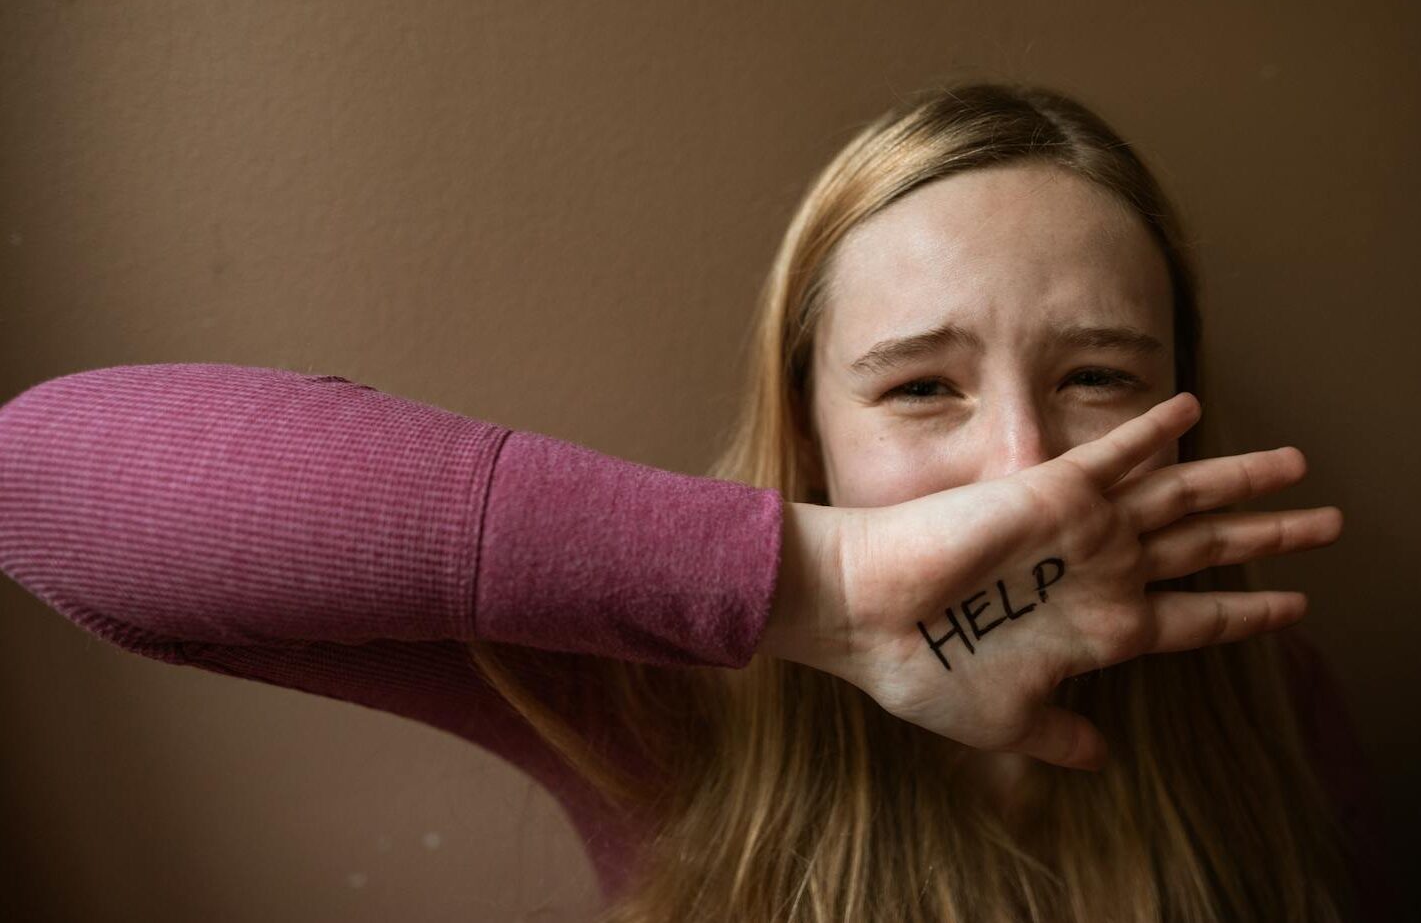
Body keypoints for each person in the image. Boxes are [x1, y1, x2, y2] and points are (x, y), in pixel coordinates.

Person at [0, 82, 1390, 922]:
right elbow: (44, 481)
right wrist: (816, 589)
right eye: (918, 389)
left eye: (1096, 375)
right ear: (809, 428)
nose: (1018, 463)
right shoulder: (669, 706)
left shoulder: (1269, 705)